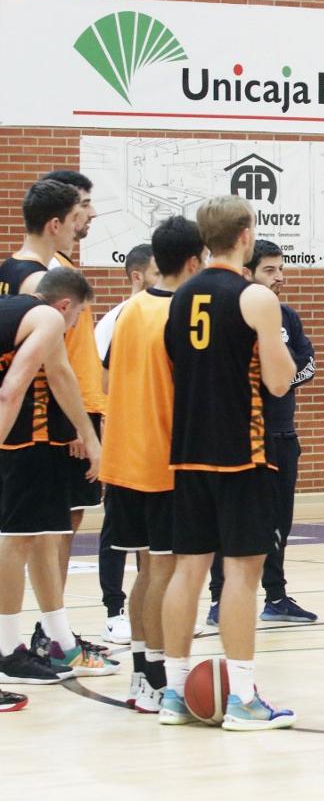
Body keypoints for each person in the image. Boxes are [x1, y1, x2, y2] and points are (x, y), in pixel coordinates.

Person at [158, 196, 297, 731]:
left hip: (190, 450)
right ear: (245, 236)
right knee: (242, 574)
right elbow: (280, 381)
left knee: (187, 570)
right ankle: (241, 698)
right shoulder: (256, 296)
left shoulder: (180, 294)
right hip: (243, 452)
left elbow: (175, 364)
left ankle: (173, 692)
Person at [99, 217, 203, 713]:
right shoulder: (180, 314)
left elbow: (104, 382)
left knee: (144, 571)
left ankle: (144, 676)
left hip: (122, 459)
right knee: (162, 572)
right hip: (162, 460)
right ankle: (162, 680)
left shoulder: (127, 312)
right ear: (193, 260)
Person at [0, 268, 103, 709]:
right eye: (78, 316)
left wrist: (92, 439)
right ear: (65, 307)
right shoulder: (46, 319)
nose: (76, 325)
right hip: (17, 441)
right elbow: (11, 389)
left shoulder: (24, 312)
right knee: (15, 539)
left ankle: (54, 640)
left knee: (39, 534)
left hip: (30, 444)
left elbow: (61, 376)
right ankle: (6, 651)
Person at [206, 240, 316, 626]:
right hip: (241, 438)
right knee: (230, 523)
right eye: (270, 270)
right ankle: (220, 599)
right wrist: (271, 381)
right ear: (248, 272)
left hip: (282, 434)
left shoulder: (286, 316)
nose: (280, 277)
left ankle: (276, 596)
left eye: (281, 269)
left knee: (279, 522)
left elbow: (308, 363)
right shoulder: (232, 315)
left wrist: (279, 382)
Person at [42, 171, 108, 597]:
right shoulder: (50, 274)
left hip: (81, 410)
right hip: (69, 417)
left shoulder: (63, 268)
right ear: (59, 218)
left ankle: (53, 627)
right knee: (57, 523)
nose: (92, 213)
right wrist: (74, 424)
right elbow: (52, 356)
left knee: (69, 519)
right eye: (84, 204)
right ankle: (50, 629)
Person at [95, 242, 160, 645]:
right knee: (116, 532)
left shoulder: (165, 313)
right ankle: (113, 610)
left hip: (154, 443)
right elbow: (98, 383)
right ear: (137, 276)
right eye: (155, 272)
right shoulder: (117, 319)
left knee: (154, 542)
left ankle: (153, 613)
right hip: (120, 440)